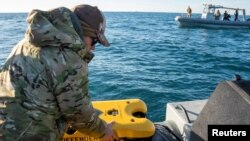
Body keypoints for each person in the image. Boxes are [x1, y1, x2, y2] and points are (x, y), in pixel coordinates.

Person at [0, 4, 118, 141]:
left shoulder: (27, 43)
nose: (93, 48)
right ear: (82, 32)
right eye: (95, 40)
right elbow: (78, 113)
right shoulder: (69, 59)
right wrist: (104, 131)